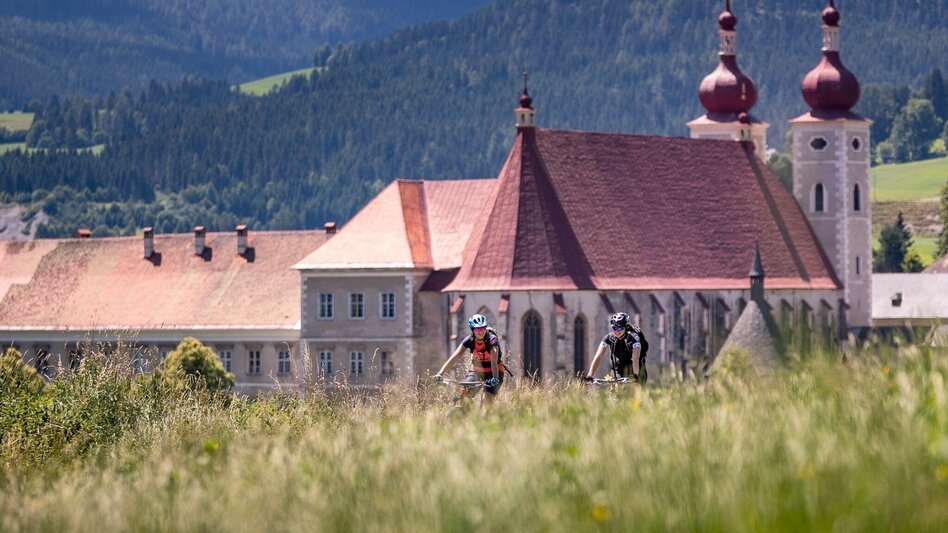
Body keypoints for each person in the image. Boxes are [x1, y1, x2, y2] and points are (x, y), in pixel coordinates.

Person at [433, 314, 503, 405]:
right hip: (476, 371)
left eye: (483, 328)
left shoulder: (492, 339)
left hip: (493, 372)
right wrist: (440, 373)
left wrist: (495, 378)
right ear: (472, 330)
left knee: (486, 398)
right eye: (477, 329)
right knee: (464, 392)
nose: (481, 331)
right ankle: (468, 412)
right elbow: (454, 357)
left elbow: (493, 361)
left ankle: (488, 414)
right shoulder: (469, 340)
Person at [584, 312, 648, 384]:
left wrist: (635, 376)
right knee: (615, 388)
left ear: (625, 327)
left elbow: (635, 358)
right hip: (619, 369)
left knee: (635, 388)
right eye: (614, 328)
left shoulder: (634, 338)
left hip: (636, 369)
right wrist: (590, 375)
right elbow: (598, 357)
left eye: (619, 328)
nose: (616, 331)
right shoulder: (609, 337)